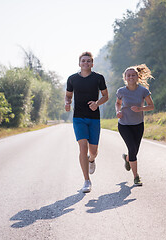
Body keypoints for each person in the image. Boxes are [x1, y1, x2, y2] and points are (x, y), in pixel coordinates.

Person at [65, 51, 109, 193]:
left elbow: (106, 96)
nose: (86, 63)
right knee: (82, 147)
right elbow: (68, 96)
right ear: (79, 63)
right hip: (78, 118)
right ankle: (86, 181)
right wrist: (67, 103)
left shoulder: (98, 78)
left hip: (94, 118)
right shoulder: (72, 79)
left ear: (92, 63)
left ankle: (92, 160)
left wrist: (97, 103)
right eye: (83, 61)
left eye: (88, 61)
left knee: (93, 151)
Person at [115, 64, 154, 186]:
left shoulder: (143, 91)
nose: (131, 77)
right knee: (132, 149)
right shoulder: (121, 91)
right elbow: (117, 103)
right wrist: (118, 111)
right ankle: (136, 176)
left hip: (138, 124)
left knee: (134, 151)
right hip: (124, 124)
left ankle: (127, 158)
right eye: (128, 75)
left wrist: (140, 109)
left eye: (133, 75)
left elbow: (151, 106)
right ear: (125, 78)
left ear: (137, 76)